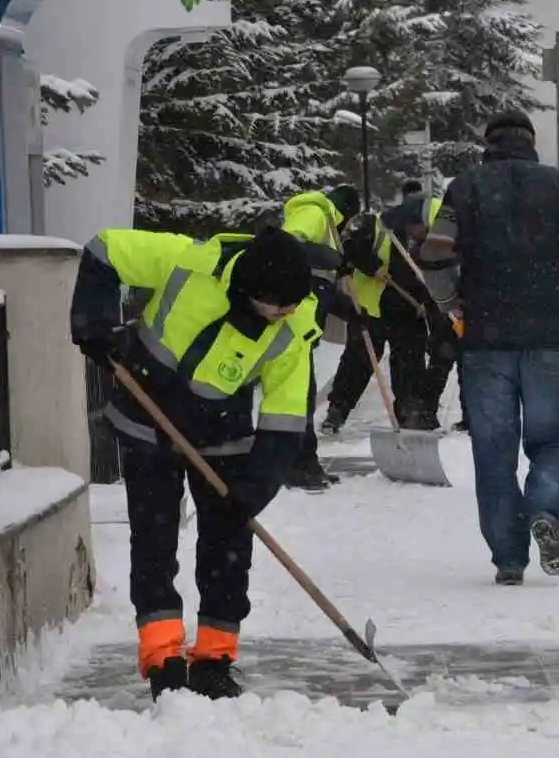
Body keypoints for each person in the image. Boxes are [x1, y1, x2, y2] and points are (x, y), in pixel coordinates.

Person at [70, 225, 319, 701]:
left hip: (223, 438)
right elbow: (103, 250)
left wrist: (256, 488)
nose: (285, 313)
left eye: (292, 304)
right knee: (154, 540)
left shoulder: (293, 328)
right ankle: (162, 656)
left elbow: (285, 418)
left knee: (228, 546)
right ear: (251, 288)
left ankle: (213, 659)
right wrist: (93, 324)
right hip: (148, 419)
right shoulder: (188, 261)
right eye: (277, 304)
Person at [420, 109, 559, 585]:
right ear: (531, 142)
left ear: (487, 144)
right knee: (550, 439)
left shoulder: (465, 188)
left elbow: (434, 252)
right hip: (549, 335)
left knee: (493, 450)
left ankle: (509, 558)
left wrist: (452, 304)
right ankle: (545, 511)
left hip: (486, 340)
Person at [320, 198, 434, 432]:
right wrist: (372, 267)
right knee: (358, 361)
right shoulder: (373, 224)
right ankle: (337, 410)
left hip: (410, 312)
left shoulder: (430, 237)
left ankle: (409, 412)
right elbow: (348, 247)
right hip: (372, 309)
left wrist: (428, 303)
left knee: (410, 363)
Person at [279, 183, 363, 490]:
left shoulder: (326, 226)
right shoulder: (314, 212)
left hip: (303, 324)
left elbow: (320, 286)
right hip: (291, 322)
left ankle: (305, 463)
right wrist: (333, 258)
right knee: (298, 395)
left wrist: (351, 312)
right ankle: (297, 465)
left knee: (304, 394)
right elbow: (287, 246)